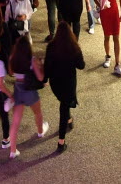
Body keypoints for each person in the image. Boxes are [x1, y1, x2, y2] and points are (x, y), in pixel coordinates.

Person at [43, 20, 85, 152]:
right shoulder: (73, 46)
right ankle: (61, 141)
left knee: (64, 103)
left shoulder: (51, 46)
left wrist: (44, 79)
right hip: (68, 83)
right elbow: (81, 65)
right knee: (64, 108)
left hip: (56, 83)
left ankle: (69, 119)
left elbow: (47, 66)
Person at [5, 35, 49, 157]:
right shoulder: (32, 60)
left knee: (15, 123)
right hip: (29, 91)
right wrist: (41, 65)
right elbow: (40, 77)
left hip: (18, 90)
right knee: (38, 113)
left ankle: (13, 151)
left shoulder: (12, 58)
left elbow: (11, 73)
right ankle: (40, 131)